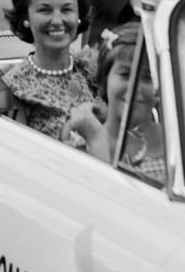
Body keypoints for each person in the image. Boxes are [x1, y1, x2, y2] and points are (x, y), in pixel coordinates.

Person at [1, 0, 97, 140]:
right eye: (45, 10)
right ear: (26, 19)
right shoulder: (14, 88)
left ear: (79, 16)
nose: (57, 20)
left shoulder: (92, 72)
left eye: (67, 10)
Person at [67, 22, 165, 181]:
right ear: (104, 80)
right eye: (126, 74)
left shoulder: (176, 142)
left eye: (148, 77)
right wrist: (95, 137)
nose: (135, 87)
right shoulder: (81, 142)